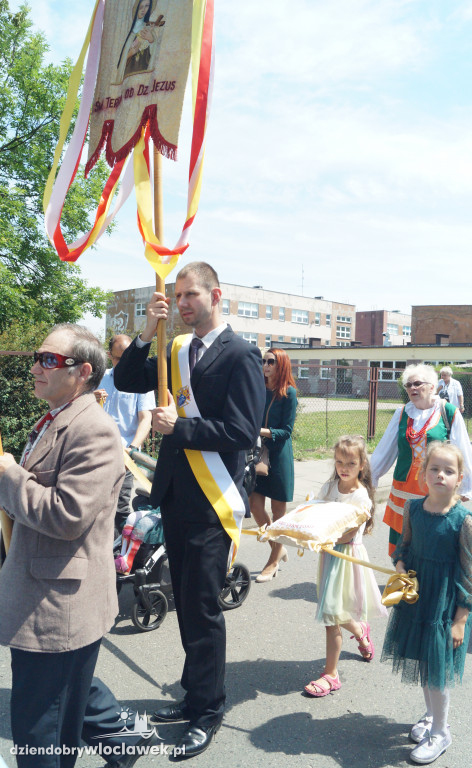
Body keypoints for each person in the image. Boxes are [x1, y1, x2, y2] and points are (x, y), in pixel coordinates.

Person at [114, 261, 266, 759]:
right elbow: (127, 378)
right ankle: (193, 693)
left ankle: (208, 710)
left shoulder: (241, 353)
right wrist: (146, 331)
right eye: (177, 296)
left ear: (215, 296)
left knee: (202, 608)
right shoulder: (175, 347)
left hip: (212, 501)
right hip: (176, 495)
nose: (181, 304)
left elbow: (242, 432)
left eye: (190, 295)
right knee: (182, 597)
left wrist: (178, 427)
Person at [0, 325, 127, 767]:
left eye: (49, 360)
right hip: (43, 593)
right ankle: (123, 743)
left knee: (41, 735)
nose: (37, 367)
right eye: (38, 358)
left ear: (83, 372)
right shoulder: (58, 416)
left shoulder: (94, 430)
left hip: (57, 608)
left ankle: (121, 742)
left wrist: (8, 475)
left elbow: (66, 515)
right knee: (66, 704)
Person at [381, 442, 472, 765]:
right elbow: (405, 546)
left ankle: (440, 731)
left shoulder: (464, 521)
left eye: (448, 471)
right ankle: (431, 715)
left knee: (437, 669)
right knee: (425, 663)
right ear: (422, 474)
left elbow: (470, 575)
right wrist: (400, 567)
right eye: (434, 469)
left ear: (459, 478)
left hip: (444, 606)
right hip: (418, 599)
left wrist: (460, 620)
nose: (440, 475)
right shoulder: (412, 509)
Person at [303, 435, 387, 697]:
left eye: (351, 463)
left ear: (362, 465)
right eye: (339, 461)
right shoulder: (329, 488)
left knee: (332, 615)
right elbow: (315, 513)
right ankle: (360, 629)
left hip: (346, 557)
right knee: (334, 611)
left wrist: (324, 538)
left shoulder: (361, 497)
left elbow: (349, 533)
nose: (344, 467)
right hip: (329, 555)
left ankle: (331, 675)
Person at [371, 363, 472, 556]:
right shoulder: (402, 413)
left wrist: (466, 486)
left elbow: (463, 450)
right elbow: (384, 450)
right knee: (403, 547)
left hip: (435, 488)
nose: (412, 388)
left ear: (432, 386)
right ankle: (403, 573)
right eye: (408, 385)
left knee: (431, 543)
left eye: (417, 383)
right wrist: (370, 477)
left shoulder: (449, 412)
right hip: (403, 489)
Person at [94, 334, 155, 535]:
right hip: (96, 453)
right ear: (109, 355)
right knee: (94, 506)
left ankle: (119, 551)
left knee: (119, 508)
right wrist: (91, 399)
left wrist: (133, 448)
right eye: (118, 359)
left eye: (128, 357)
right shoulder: (98, 378)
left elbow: (146, 418)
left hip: (124, 456)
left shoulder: (141, 382)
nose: (123, 364)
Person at [249, 348, 297, 582]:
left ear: (281, 365)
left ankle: (272, 562)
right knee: (254, 506)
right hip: (258, 454)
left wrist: (260, 431)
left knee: (279, 515)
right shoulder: (258, 388)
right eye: (264, 361)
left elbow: (287, 431)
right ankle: (277, 549)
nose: (265, 365)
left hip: (278, 457)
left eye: (271, 362)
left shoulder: (289, 393)